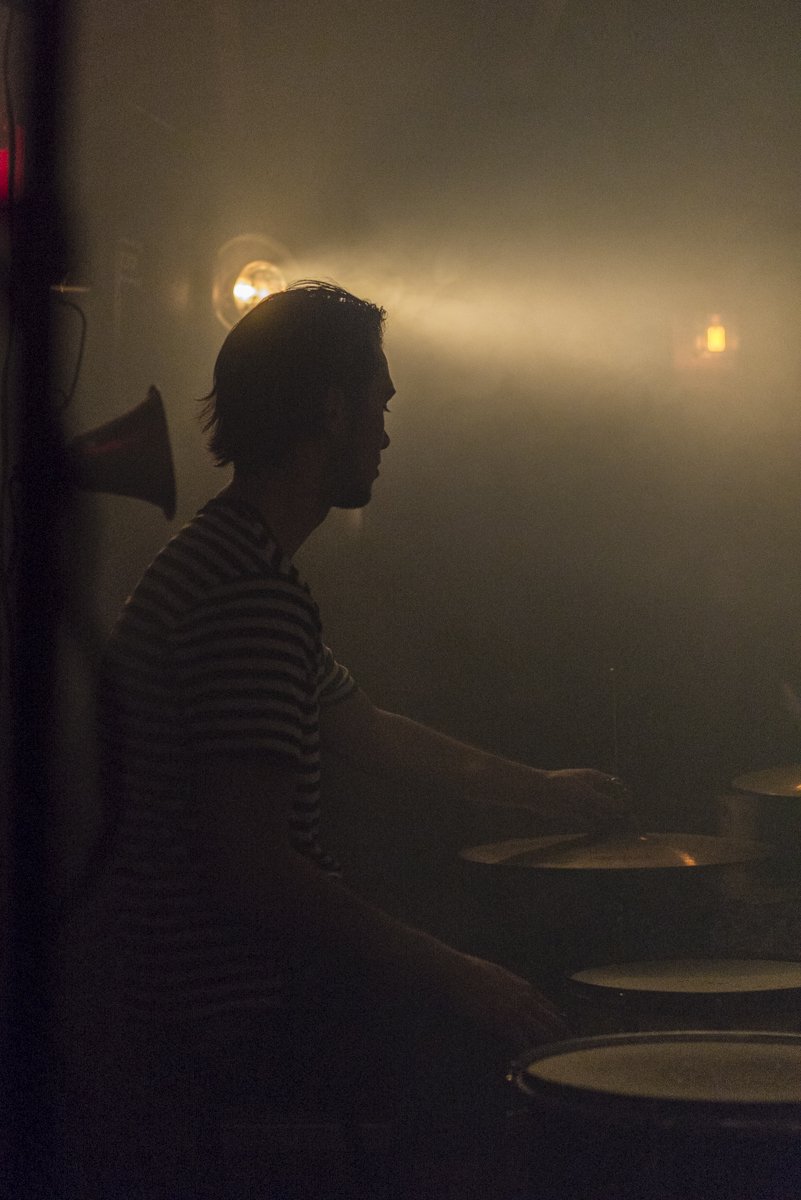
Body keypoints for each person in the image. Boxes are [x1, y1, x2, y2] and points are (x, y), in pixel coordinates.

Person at [59, 281, 629, 1198]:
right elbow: (252, 866)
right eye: (380, 403)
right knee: (511, 1050)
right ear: (331, 408)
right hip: (224, 1013)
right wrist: (460, 976)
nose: (387, 431)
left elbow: (372, 732)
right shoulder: (249, 597)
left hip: (201, 995)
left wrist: (550, 793)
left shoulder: (231, 561)